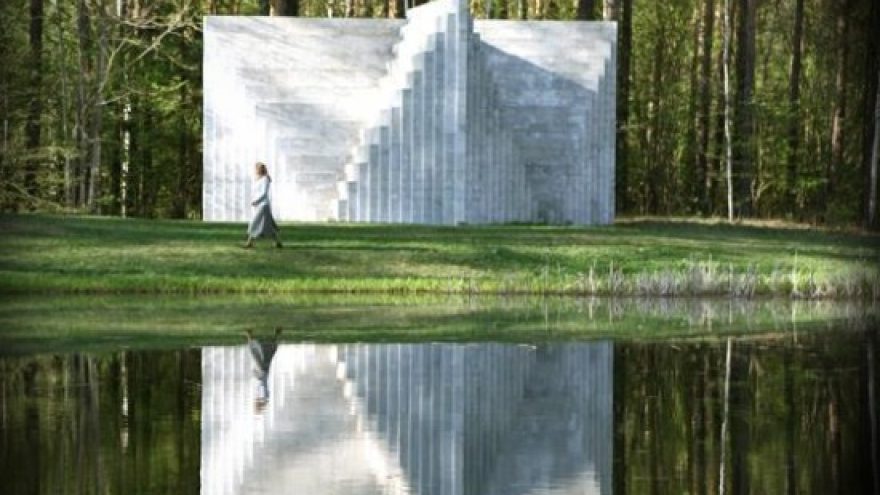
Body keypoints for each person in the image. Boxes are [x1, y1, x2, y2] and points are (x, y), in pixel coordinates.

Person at [244, 161, 282, 248]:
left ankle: (249, 243)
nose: (255, 170)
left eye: (256, 169)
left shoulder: (265, 179)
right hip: (259, 205)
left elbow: (264, 193)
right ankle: (277, 242)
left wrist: (257, 201)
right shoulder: (258, 179)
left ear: (260, 169)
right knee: (267, 225)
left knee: (254, 223)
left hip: (263, 205)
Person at [244, 327, 282, 412]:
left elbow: (262, 384)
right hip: (263, 370)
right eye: (256, 405)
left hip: (263, 370)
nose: (255, 403)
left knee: (266, 352)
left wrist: (256, 374)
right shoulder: (263, 396)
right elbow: (262, 382)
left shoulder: (260, 395)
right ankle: (249, 334)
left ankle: (249, 335)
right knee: (259, 353)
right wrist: (256, 374)